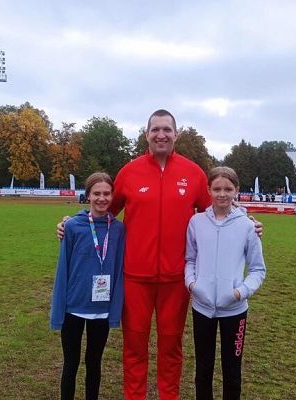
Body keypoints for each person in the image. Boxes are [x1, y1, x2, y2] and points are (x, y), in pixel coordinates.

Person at [57, 109, 263, 399]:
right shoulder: (129, 172)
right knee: (134, 348)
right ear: (147, 134)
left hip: (175, 280)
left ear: (176, 134)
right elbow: (104, 211)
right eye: (155, 129)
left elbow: (217, 210)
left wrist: (247, 219)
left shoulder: (193, 173)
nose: (161, 134)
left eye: (167, 129)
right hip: (135, 278)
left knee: (170, 348)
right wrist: (72, 221)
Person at [185, 167, 266, 400]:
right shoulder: (196, 222)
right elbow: (190, 258)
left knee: (232, 371)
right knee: (203, 369)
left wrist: (240, 292)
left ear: (237, 191)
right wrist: (192, 284)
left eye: (228, 189)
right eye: (217, 189)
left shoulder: (248, 226)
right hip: (202, 306)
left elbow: (258, 269)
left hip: (235, 309)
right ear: (208, 190)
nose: (222, 194)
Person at [50, 172, 125, 400]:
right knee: (70, 363)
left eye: (106, 194)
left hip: (101, 309)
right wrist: (58, 310)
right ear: (88, 195)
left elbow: (120, 270)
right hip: (73, 306)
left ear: (112, 196)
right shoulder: (72, 226)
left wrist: (115, 310)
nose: (102, 198)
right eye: (97, 193)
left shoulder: (119, 229)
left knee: (94, 363)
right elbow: (63, 269)